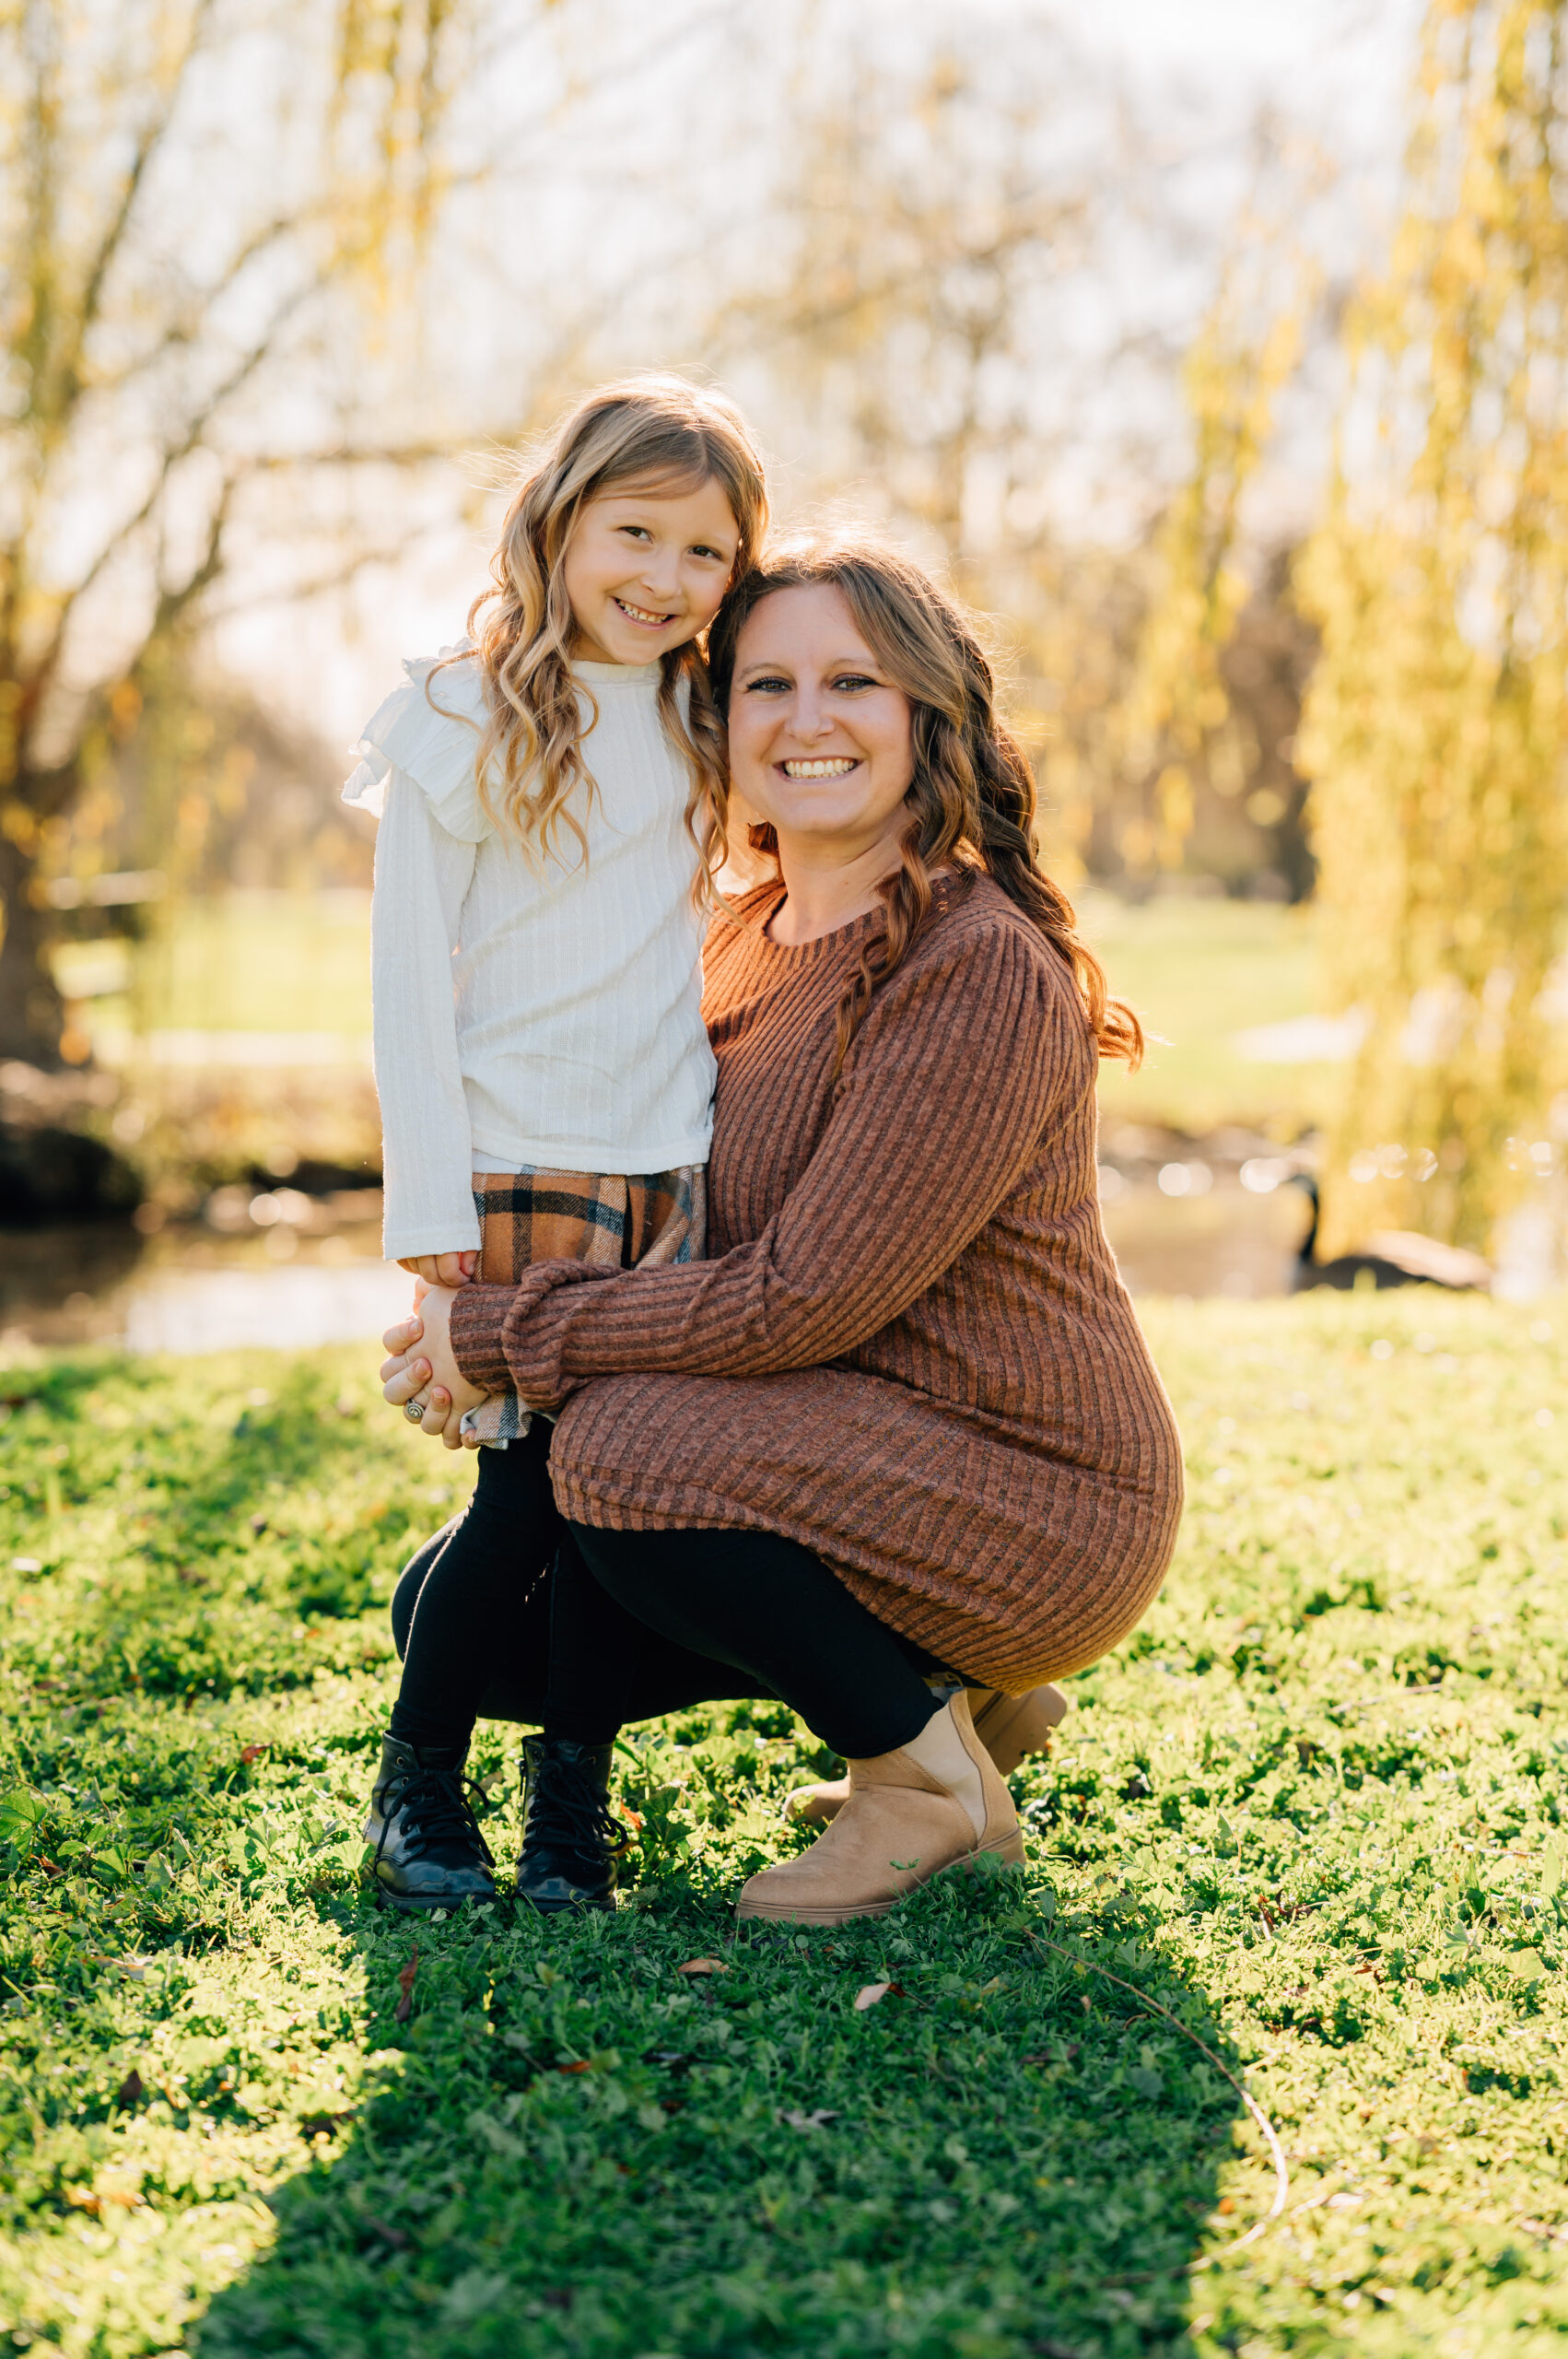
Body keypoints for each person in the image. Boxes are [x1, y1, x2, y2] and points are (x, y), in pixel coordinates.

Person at [384, 531, 1185, 1929]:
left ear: (929, 716)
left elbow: (800, 1300)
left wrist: (507, 1337)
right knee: (463, 1616)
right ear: (718, 717)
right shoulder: (738, 934)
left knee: (627, 1450)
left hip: (1035, 1494)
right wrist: (463, 1308)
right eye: (767, 686)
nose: (807, 721)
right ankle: (951, 1699)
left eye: (853, 684)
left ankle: (922, 1786)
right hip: (842, 1452)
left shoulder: (969, 964)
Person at [347, 376, 767, 1910]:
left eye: (704, 554)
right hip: (516, 1165)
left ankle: (568, 1825)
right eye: (634, 533)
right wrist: (426, 1210)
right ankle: (417, 1797)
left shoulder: (707, 717)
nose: (662, 578)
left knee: (613, 1504)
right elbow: (406, 981)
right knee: (520, 1501)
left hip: (665, 1166)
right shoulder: (461, 713)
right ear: (560, 523)